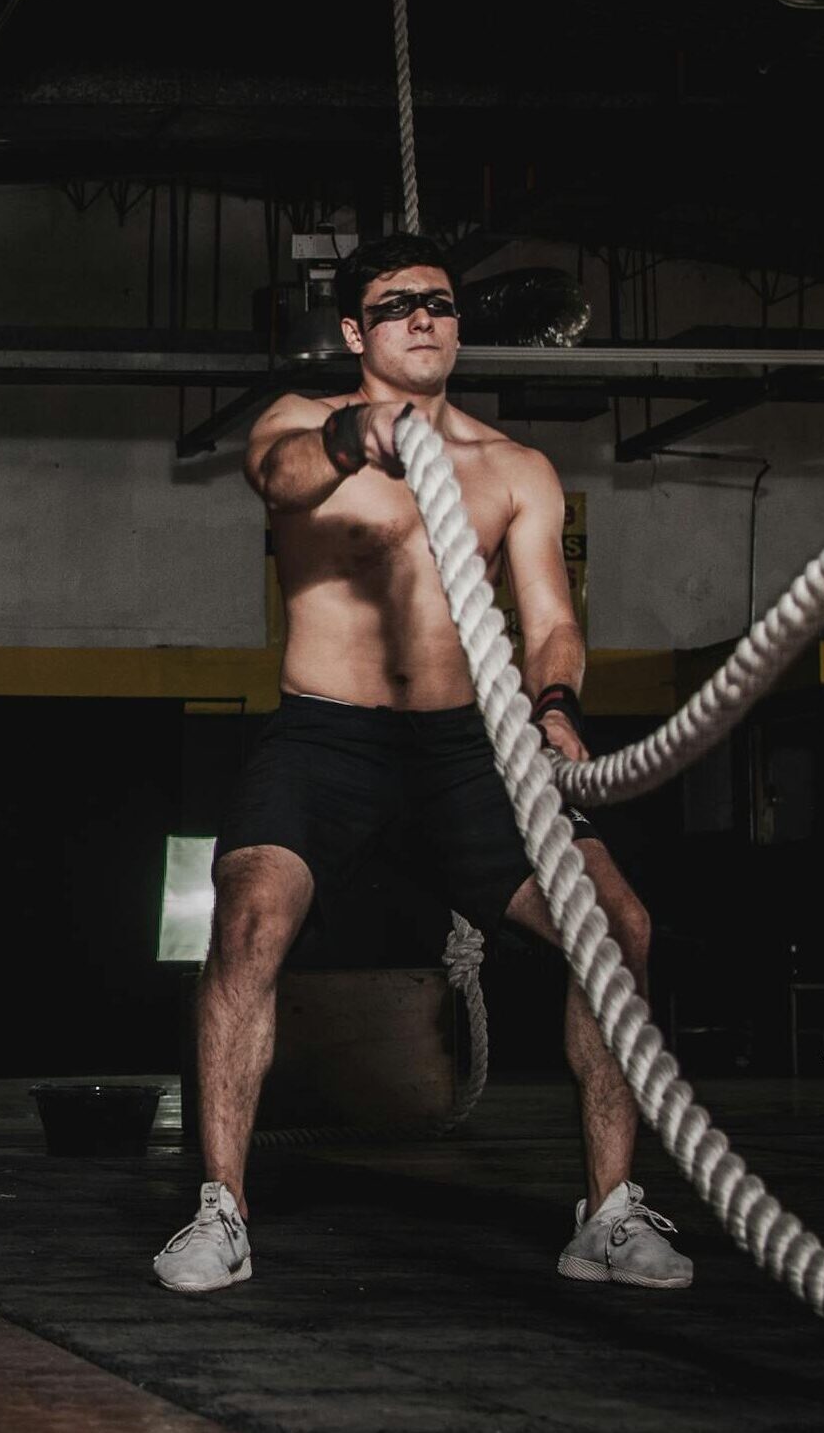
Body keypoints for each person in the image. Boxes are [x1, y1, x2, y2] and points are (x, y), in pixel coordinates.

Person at [151, 233, 690, 1294]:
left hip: (464, 752)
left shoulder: (514, 469)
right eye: (394, 305)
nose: (422, 318)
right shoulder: (302, 428)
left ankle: (609, 1211)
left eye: (437, 304)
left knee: (616, 928)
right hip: (324, 739)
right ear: (355, 331)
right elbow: (279, 473)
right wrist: (366, 435)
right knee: (249, 912)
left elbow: (548, 621)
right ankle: (220, 1208)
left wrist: (553, 706)